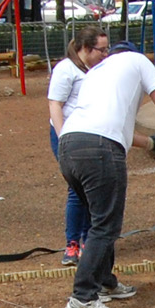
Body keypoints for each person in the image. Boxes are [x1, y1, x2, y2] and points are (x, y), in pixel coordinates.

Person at [56, 42, 155, 308]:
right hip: (99, 149)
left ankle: (104, 281)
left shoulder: (96, 72)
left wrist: (149, 143)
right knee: (105, 224)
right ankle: (83, 296)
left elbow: (113, 124)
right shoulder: (137, 61)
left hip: (70, 143)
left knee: (99, 219)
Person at [46, 26, 109, 265]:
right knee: (77, 188)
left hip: (90, 134)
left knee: (89, 190)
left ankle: (87, 239)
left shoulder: (97, 69)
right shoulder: (66, 69)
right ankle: (73, 243)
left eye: (106, 49)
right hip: (69, 136)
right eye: (100, 50)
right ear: (85, 48)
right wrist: (63, 139)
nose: (105, 54)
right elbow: (55, 105)